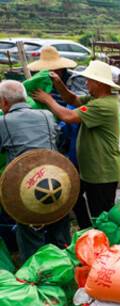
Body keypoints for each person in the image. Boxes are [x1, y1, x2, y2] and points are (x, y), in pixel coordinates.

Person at [32, 60, 120, 230]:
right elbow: (72, 99)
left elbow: (67, 116)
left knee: (101, 215)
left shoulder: (103, 105)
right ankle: (86, 229)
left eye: (89, 80)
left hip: (102, 171)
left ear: (99, 83)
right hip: (90, 168)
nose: (86, 83)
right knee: (73, 197)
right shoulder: (95, 99)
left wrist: (48, 99)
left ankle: (105, 243)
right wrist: (59, 84)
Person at [0, 80, 70, 262]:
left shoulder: (3, 122)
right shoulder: (46, 115)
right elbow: (58, 139)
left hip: (27, 189)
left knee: (29, 229)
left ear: (4, 102)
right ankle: (64, 262)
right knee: (58, 219)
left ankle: (36, 271)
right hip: (57, 181)